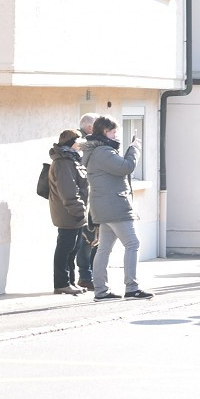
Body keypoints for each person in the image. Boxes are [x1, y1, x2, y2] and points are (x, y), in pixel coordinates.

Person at [83, 115, 152, 301]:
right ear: (105, 132)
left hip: (104, 206)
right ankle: (132, 287)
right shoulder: (103, 152)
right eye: (113, 132)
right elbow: (126, 167)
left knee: (104, 249)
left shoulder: (96, 151)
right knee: (132, 243)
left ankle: (101, 291)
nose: (116, 136)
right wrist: (134, 149)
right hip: (115, 205)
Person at [48, 129, 89, 294]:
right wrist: (79, 211)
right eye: (78, 142)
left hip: (74, 213)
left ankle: (70, 282)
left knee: (72, 248)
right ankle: (62, 283)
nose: (81, 145)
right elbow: (69, 191)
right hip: (69, 213)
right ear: (71, 143)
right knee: (65, 248)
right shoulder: (63, 163)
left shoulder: (71, 160)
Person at [74, 112, 99, 291]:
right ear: (90, 127)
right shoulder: (79, 143)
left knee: (96, 239)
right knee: (85, 239)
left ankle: (92, 275)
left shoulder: (91, 142)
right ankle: (85, 275)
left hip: (94, 197)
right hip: (85, 199)